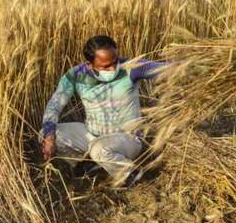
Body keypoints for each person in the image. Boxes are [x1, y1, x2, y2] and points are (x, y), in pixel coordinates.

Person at [41, 35, 166, 187]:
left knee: (100, 149)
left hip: (127, 138)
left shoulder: (131, 68)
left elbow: (167, 68)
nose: (113, 68)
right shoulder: (75, 76)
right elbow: (55, 104)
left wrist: (197, 63)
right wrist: (49, 137)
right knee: (47, 133)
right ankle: (88, 165)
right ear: (89, 64)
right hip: (92, 135)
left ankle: (131, 174)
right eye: (106, 66)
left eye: (115, 61)